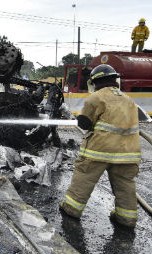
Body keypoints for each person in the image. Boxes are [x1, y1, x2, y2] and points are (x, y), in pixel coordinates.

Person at [59, 64, 141, 228]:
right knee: (125, 185)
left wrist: (76, 118)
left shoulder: (96, 98)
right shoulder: (129, 101)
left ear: (95, 81)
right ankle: (126, 219)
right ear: (114, 79)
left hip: (99, 151)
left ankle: (72, 209)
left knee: (84, 177)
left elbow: (84, 123)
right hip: (128, 154)